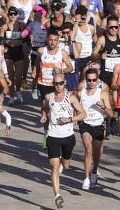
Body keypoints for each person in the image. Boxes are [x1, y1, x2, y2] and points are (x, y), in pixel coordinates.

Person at [42, 74, 85, 208]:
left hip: (68, 137)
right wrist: (44, 117)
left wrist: (70, 119)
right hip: (53, 137)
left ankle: (63, 161)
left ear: (65, 83)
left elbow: (83, 114)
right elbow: (44, 109)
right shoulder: (49, 97)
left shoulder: (71, 97)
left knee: (66, 165)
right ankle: (57, 195)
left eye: (60, 83)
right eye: (56, 83)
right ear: (53, 84)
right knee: (54, 167)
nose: (58, 86)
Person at [76, 65, 113, 191]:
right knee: (89, 150)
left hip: (98, 125)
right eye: (89, 80)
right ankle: (86, 178)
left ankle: (94, 171)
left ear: (97, 80)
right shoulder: (81, 90)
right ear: (86, 80)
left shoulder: (102, 93)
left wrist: (103, 107)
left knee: (97, 154)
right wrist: (75, 116)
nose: (91, 83)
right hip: (85, 124)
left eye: (93, 80)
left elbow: (111, 113)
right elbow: (73, 101)